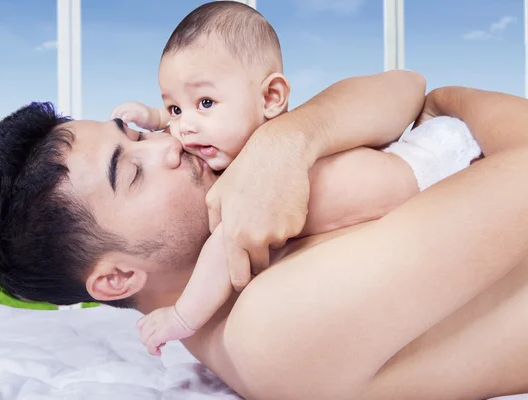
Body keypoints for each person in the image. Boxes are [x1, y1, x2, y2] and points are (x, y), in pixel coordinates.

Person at [0, 69, 528, 399]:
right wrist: (449, 105)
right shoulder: (270, 326)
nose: (169, 143)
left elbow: (405, 90)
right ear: (117, 277)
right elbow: (434, 104)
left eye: (137, 133)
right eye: (133, 172)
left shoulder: (256, 226)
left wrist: (285, 145)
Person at [110, 1, 480, 352]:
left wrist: (181, 317)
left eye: (205, 103)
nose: (183, 128)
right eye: (174, 107)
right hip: (430, 175)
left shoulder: (256, 181)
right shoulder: (236, 142)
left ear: (271, 97)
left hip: (442, 167)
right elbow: (189, 124)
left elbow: (224, 251)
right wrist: (155, 117)